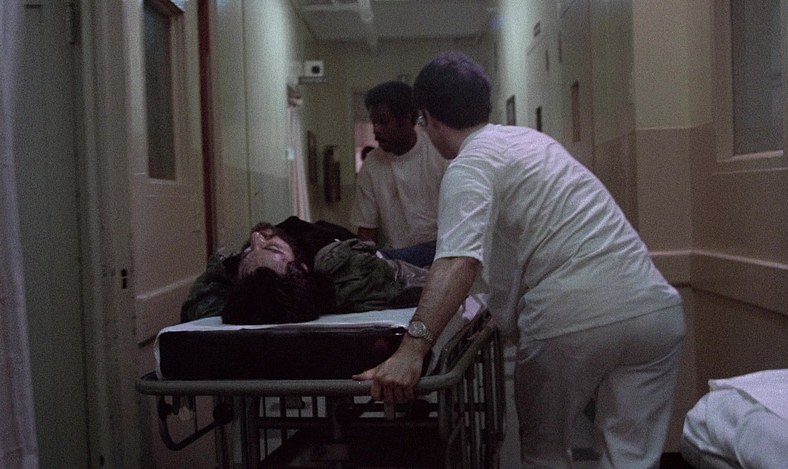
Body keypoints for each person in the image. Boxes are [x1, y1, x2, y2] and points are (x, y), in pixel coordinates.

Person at [352, 51, 686, 469]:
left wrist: (411, 350)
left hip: (572, 318)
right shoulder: (532, 142)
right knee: (631, 459)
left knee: (546, 454)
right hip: (653, 311)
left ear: (429, 118)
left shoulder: (469, 165)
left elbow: (458, 262)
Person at [181, 217, 430, 324]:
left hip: (352, 246)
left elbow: (199, 303)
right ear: (301, 268)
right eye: (272, 247)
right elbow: (422, 282)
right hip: (379, 259)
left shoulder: (247, 282)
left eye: (246, 252)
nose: (256, 237)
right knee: (441, 251)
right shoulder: (341, 270)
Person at [351, 81, 449, 267]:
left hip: (443, 252)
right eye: (374, 122)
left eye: (383, 121)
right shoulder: (371, 165)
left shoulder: (439, 150)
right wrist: (363, 267)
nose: (376, 130)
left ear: (407, 119)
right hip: (398, 260)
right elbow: (367, 231)